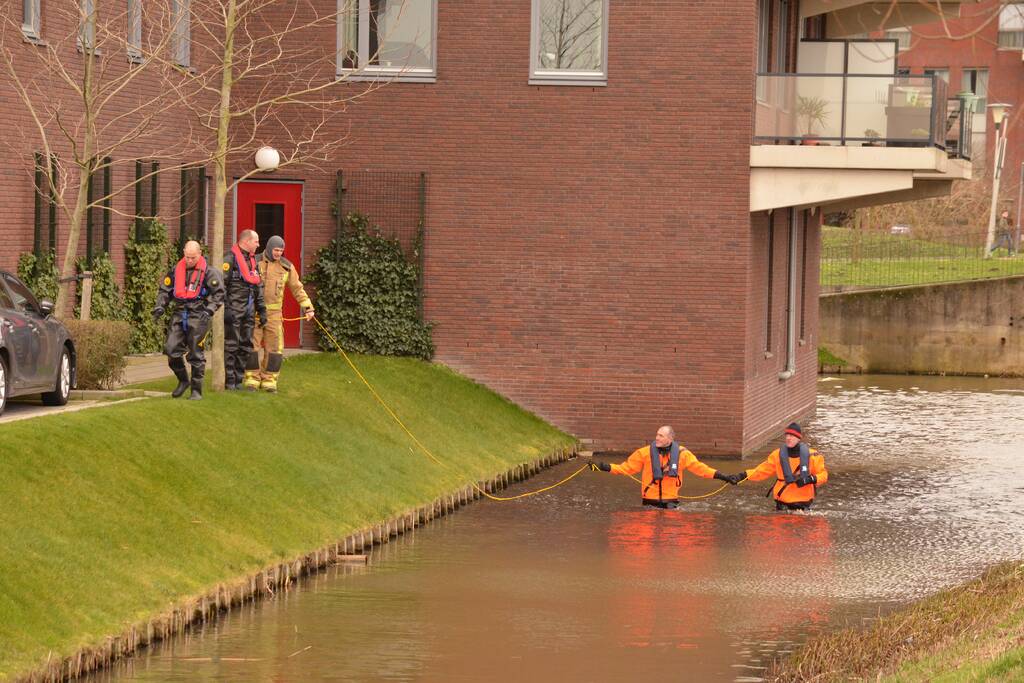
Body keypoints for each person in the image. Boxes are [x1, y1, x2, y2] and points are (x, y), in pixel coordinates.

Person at [590, 425, 736, 509]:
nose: (657, 438)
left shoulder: (682, 454)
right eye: (657, 435)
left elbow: (701, 469)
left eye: (661, 436)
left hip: (671, 502)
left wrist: (723, 476)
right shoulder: (644, 452)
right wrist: (603, 467)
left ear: (670, 439)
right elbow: (626, 468)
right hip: (649, 502)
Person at [152, 241, 225, 400]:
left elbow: (219, 294)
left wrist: (210, 309)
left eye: (193, 257)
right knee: (171, 349)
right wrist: (160, 306)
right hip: (179, 313)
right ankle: (183, 380)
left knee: (195, 353)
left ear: (199, 254)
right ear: (184, 253)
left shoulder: (209, 272)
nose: (190, 260)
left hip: (199, 315)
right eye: (187, 257)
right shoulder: (175, 270)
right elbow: (165, 291)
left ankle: (196, 391)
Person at [243, 235, 314, 392]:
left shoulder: (287, 267)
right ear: (269, 248)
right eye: (276, 250)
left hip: (274, 315)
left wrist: (308, 307)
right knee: (251, 347)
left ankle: (269, 380)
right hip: (254, 313)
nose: (278, 253)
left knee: (274, 349)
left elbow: (297, 288)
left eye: (281, 251)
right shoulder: (254, 262)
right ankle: (252, 379)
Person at [727, 422, 828, 511]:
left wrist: (810, 479)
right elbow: (761, 471)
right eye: (787, 435)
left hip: (803, 503)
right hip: (783, 503)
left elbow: (823, 475)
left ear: (798, 438)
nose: (788, 438)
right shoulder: (777, 455)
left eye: (792, 436)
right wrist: (741, 476)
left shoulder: (813, 456)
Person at [222, 230, 267, 390]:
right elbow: (222, 286)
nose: (258, 245)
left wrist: (262, 310)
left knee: (246, 345)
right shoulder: (230, 258)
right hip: (234, 309)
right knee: (231, 345)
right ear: (247, 241)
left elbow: (258, 286)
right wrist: (226, 308)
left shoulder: (253, 261)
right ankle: (229, 381)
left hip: (249, 309)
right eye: (256, 241)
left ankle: (238, 380)